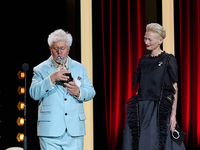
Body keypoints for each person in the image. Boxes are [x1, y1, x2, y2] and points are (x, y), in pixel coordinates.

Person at [29, 29, 96, 150]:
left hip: (74, 131)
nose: (59, 53)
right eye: (56, 49)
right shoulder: (40, 69)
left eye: (62, 48)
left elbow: (91, 92)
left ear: (69, 48)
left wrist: (78, 92)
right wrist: (51, 79)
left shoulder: (80, 68)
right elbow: (33, 93)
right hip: (50, 132)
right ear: (50, 48)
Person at [122, 23, 185, 150]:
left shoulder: (168, 59)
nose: (146, 41)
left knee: (156, 142)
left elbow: (174, 88)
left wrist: (173, 115)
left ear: (160, 40)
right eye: (145, 38)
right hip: (141, 107)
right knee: (134, 140)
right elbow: (140, 87)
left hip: (159, 109)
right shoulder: (143, 60)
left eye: (150, 39)